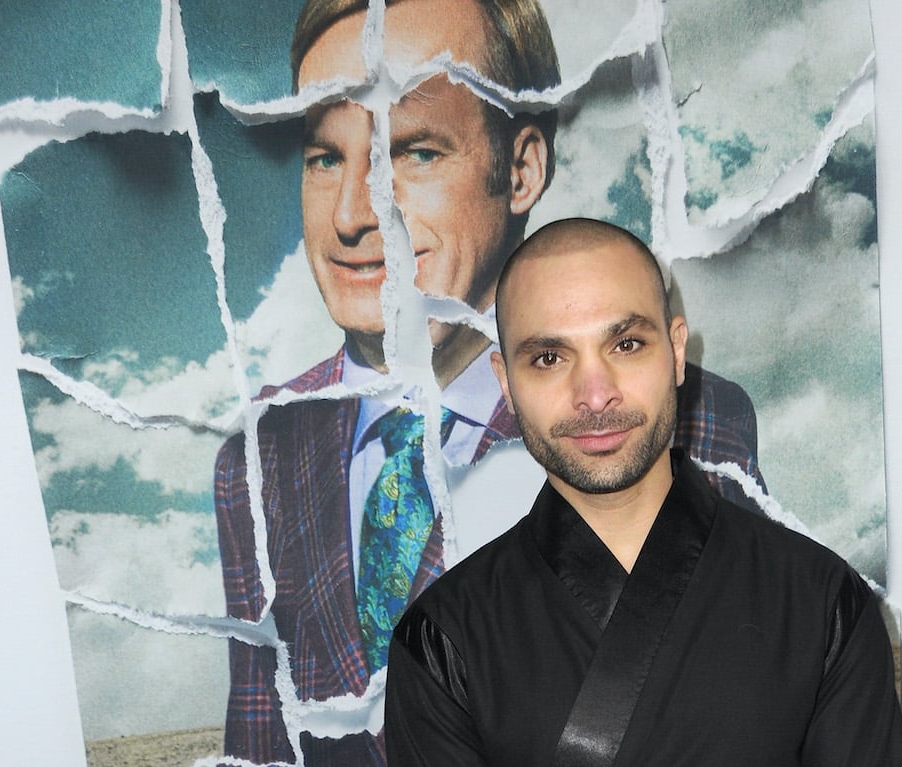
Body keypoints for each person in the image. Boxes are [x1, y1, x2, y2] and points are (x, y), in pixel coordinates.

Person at [215, 2, 765, 764]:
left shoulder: (686, 419)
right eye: (324, 158)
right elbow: (260, 738)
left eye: (414, 152)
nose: (350, 215)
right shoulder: (261, 452)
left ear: (521, 168)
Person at [385, 218, 902, 766]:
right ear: (505, 383)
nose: (595, 395)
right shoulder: (441, 642)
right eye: (548, 358)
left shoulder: (823, 604)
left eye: (627, 344)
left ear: (677, 352)